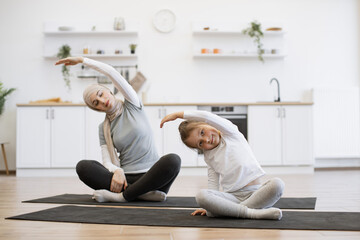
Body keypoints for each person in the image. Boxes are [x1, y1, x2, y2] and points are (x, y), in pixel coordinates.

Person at [55, 57, 181, 202]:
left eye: (101, 94)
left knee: (173, 160)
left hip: (152, 177)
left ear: (108, 90)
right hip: (124, 179)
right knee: (83, 167)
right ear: (96, 109)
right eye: (96, 103)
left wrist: (83, 60)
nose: (102, 101)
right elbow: (107, 160)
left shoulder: (132, 104)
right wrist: (118, 171)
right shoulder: (103, 128)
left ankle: (122, 196)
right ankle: (140, 193)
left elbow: (111, 72)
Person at [160, 110, 284, 220]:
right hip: (232, 197)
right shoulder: (208, 156)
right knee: (201, 196)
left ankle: (232, 211)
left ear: (207, 123)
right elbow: (213, 181)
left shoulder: (231, 134)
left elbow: (207, 116)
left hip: (256, 193)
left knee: (277, 184)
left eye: (202, 132)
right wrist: (209, 205)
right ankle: (251, 213)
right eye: (201, 143)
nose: (207, 140)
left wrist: (178, 115)